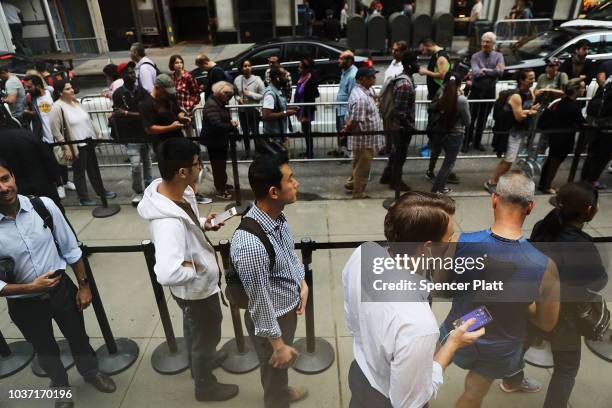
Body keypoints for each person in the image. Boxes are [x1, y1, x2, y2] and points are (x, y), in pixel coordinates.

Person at [343, 192, 485, 407]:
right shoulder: (418, 324)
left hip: (360, 373)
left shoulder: (363, 253)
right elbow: (409, 402)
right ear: (427, 248)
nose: (453, 242)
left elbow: (352, 320)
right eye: (449, 238)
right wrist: (452, 345)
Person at [0, 158, 116, 408]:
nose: (3, 188)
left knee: (79, 337)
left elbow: (71, 248)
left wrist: (84, 286)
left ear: (13, 177)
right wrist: (30, 288)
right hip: (24, 304)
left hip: (61, 291)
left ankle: (90, 372)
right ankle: (60, 387)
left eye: (4, 178)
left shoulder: (43, 206)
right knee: (45, 349)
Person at [439, 171, 560, 407]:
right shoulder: (545, 267)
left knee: (427, 374)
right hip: (501, 346)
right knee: (473, 394)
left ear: (494, 199)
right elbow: (546, 323)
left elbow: (441, 287)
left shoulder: (457, 243)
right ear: (531, 207)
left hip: (458, 328)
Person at [137, 137, 239, 403]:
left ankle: (202, 361)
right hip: (195, 291)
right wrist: (198, 268)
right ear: (182, 171)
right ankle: (205, 386)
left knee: (196, 330)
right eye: (197, 163)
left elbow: (189, 222)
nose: (200, 167)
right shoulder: (167, 222)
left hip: (196, 291)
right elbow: (167, 273)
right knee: (207, 333)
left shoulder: (179, 192)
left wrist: (204, 223)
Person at [230, 153, 308, 408]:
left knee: (279, 371)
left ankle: (280, 392)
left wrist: (301, 282)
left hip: (285, 309)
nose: (296, 183)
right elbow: (260, 303)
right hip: (272, 320)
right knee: (276, 366)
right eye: (291, 179)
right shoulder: (251, 245)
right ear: (274, 192)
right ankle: (277, 400)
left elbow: (288, 254)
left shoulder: (277, 216)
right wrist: (277, 344)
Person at [529, 182, 607, 408]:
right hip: (566, 319)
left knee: (522, 345)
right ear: (589, 211)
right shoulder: (583, 246)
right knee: (566, 369)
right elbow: (598, 282)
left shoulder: (541, 226)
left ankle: (512, 379)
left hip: (533, 306)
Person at [49, 80, 116, 206]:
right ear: (60, 92)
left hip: (89, 142)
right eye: (68, 89)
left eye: (71, 88)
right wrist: (66, 147)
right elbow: (55, 130)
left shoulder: (77, 102)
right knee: (79, 172)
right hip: (76, 145)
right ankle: (83, 198)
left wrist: (97, 132)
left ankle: (100, 191)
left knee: (94, 169)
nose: (72, 90)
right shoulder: (57, 107)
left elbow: (88, 119)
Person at [484, 70, 539, 193]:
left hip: (520, 131)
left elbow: (524, 110)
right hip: (512, 132)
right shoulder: (516, 96)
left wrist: (529, 110)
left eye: (533, 78)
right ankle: (492, 182)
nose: (532, 81)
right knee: (509, 160)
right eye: (530, 78)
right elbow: (518, 116)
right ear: (521, 80)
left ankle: (496, 181)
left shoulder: (529, 93)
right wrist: (530, 112)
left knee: (510, 159)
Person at [111, 62, 152, 206]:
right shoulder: (118, 94)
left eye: (133, 72)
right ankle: (138, 192)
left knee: (147, 164)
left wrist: (127, 113)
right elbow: (118, 115)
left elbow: (146, 113)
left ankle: (149, 190)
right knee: (135, 165)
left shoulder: (142, 91)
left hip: (144, 134)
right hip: (131, 136)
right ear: (122, 76)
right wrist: (129, 115)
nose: (132, 75)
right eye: (128, 73)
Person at [379, 52, 420, 192]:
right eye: (416, 62)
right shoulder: (404, 84)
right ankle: (396, 182)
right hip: (401, 127)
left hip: (400, 125)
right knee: (400, 155)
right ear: (409, 65)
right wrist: (410, 127)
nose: (419, 65)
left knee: (396, 152)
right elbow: (400, 112)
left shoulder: (406, 80)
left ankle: (387, 175)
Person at [341, 67, 384, 199]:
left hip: (367, 138)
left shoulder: (366, 90)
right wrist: (347, 132)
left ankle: (352, 183)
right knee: (363, 167)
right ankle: (358, 192)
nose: (374, 79)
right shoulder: (360, 98)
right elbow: (355, 121)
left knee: (358, 163)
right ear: (362, 79)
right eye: (371, 77)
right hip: (364, 139)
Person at [537, 79, 586, 194]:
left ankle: (543, 184)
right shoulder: (574, 106)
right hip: (563, 139)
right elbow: (581, 122)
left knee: (551, 161)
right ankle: (546, 186)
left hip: (555, 137)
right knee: (554, 163)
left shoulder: (560, 101)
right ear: (575, 90)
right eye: (582, 87)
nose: (584, 90)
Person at [430, 73, 471, 194]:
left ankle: (440, 187)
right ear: (459, 85)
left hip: (440, 133)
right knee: (448, 165)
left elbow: (432, 108)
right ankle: (435, 191)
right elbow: (467, 121)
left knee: (445, 163)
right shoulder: (461, 100)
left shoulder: (442, 96)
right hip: (455, 135)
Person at [0, 129, 62, 210]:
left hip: (18, 193)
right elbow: (49, 160)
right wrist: (56, 180)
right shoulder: (27, 134)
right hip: (43, 186)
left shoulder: (25, 135)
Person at [464, 32, 505, 152]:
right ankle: (466, 142)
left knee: (483, 119)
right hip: (476, 91)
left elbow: (500, 72)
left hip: (489, 91)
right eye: (483, 41)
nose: (485, 44)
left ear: (493, 44)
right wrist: (491, 71)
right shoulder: (475, 56)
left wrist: (485, 70)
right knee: (470, 118)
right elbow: (476, 72)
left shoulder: (499, 56)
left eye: (488, 42)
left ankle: (477, 143)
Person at [200, 81, 237, 200]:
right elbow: (216, 125)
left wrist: (229, 123)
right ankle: (220, 189)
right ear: (219, 92)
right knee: (217, 166)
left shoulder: (219, 103)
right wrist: (231, 126)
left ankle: (222, 184)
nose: (228, 97)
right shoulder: (212, 104)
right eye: (227, 94)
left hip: (219, 139)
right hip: (214, 140)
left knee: (221, 165)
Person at [140, 73, 190, 153]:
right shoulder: (146, 104)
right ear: (157, 88)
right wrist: (170, 127)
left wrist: (182, 117)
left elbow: (178, 111)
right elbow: (150, 129)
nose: (168, 94)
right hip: (162, 144)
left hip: (179, 139)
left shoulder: (170, 97)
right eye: (165, 91)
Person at [234, 59, 265, 159]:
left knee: (255, 132)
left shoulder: (257, 80)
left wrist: (249, 94)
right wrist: (239, 99)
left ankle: (258, 152)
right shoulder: (237, 79)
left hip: (253, 110)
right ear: (241, 68)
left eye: (249, 66)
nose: (247, 68)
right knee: (245, 132)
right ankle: (247, 152)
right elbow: (235, 94)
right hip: (242, 111)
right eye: (245, 66)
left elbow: (262, 95)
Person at [261, 67, 297, 152]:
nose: (286, 78)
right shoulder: (270, 94)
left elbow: (277, 108)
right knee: (279, 165)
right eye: (284, 76)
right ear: (277, 78)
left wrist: (289, 109)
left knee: (284, 164)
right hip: (274, 140)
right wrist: (285, 113)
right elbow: (266, 116)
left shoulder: (278, 90)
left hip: (281, 137)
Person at [294, 57, 320, 158]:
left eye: (300, 67)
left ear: (306, 69)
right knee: (305, 131)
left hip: (307, 109)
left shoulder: (311, 78)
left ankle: (310, 152)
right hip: (301, 107)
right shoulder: (302, 77)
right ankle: (308, 150)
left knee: (307, 131)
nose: (298, 69)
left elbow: (314, 93)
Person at [333, 50, 358, 158]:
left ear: (349, 61)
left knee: (346, 132)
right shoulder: (345, 71)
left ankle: (349, 153)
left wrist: (350, 115)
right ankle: (343, 151)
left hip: (345, 110)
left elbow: (352, 96)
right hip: (340, 108)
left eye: (341, 58)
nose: (339, 60)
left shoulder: (352, 75)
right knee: (341, 132)